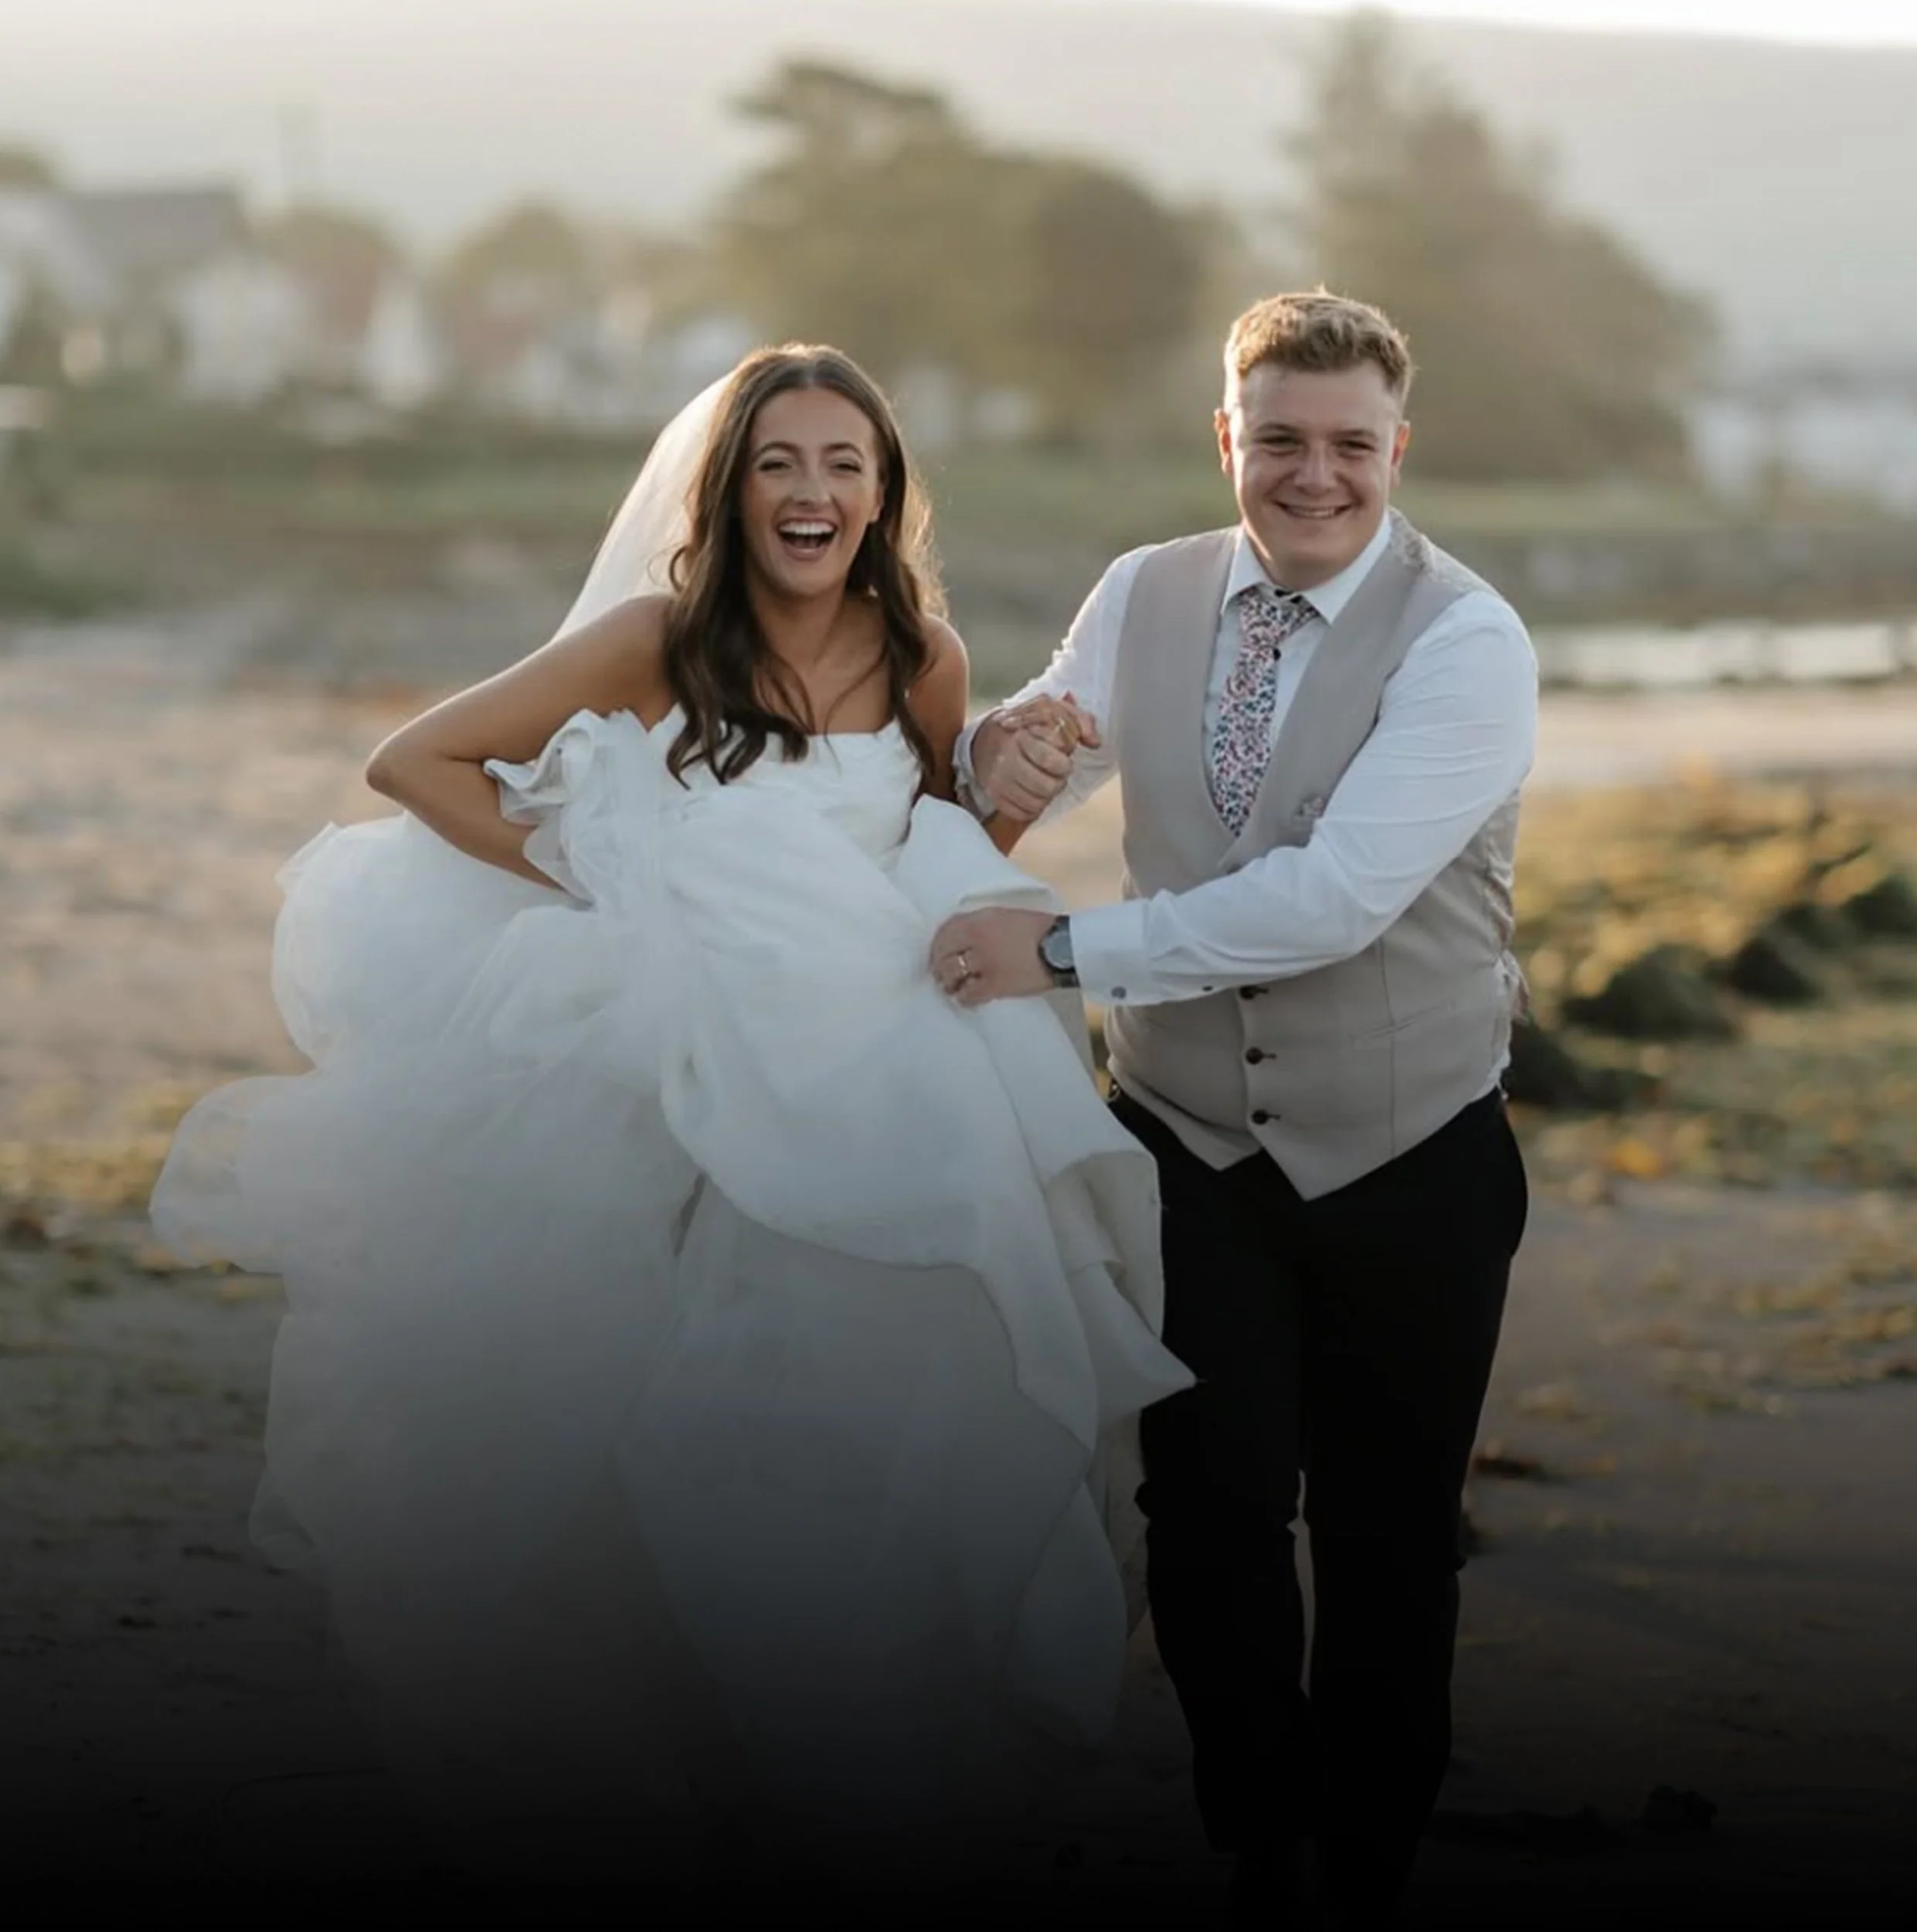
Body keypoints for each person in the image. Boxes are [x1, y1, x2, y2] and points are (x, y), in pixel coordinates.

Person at [148, 343, 1191, 1889]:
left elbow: (917, 845)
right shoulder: (653, 640)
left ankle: (844, 1734)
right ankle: (655, 1770)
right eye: (779, 461)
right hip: (666, 1070)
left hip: (868, 1071)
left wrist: (1005, 803)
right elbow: (415, 758)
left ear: (884, 495)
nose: (813, 492)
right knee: (641, 1404)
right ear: (729, 488)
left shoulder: (926, 659)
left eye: (846, 464)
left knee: (897, 1373)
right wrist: (606, 879)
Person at [933, 291, 1537, 1925]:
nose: (1313, 472)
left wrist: (1060, 947)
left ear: (1396, 450)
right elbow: (1043, 746)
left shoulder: (1466, 638)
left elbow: (1330, 899)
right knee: (1201, 1517)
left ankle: (1367, 1857)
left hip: (1409, 1155)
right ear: (1226, 438)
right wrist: (1011, 757)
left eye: (1349, 442)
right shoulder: (1143, 591)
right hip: (1183, 1143)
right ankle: (1254, 1834)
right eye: (1278, 436)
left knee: (1388, 1531)